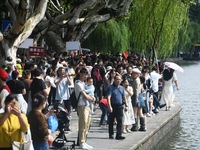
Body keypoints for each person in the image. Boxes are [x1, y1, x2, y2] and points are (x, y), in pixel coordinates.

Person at [75, 68, 96, 149]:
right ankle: (81, 142)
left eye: (86, 74)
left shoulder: (85, 83)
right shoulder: (78, 83)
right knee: (82, 124)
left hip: (88, 106)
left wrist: (93, 98)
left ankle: (84, 141)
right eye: (84, 74)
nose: (85, 76)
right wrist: (92, 99)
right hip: (82, 105)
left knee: (87, 124)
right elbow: (84, 95)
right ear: (80, 74)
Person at [107, 74, 126, 140]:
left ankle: (119, 134)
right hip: (113, 105)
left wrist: (126, 105)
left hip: (120, 106)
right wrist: (109, 106)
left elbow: (124, 96)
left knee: (120, 121)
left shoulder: (121, 88)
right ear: (114, 80)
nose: (118, 81)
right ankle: (111, 133)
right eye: (117, 79)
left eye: (119, 79)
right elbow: (108, 97)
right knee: (111, 121)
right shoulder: (111, 88)